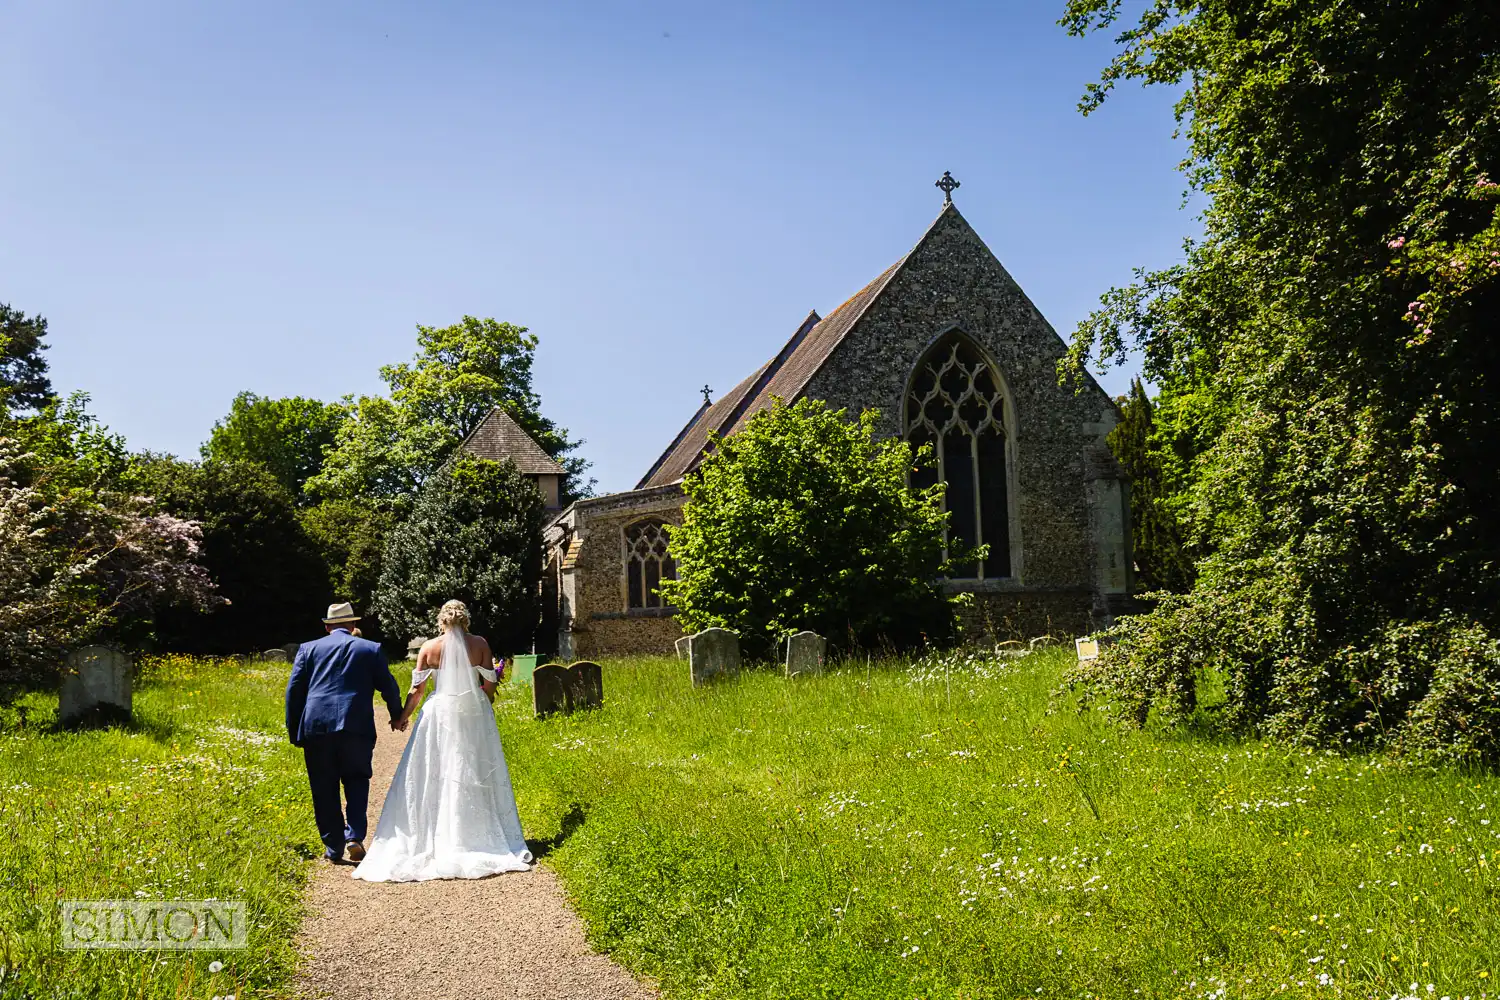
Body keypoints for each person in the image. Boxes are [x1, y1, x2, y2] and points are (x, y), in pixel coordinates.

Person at [353, 600, 533, 882]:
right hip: (473, 711)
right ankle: (474, 833)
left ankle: (436, 833)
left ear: (442, 621)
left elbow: (417, 690)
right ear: (465, 620)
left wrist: (402, 717)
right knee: (474, 766)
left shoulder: (429, 648)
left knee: (434, 769)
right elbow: (489, 684)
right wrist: (481, 708)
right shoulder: (480, 644)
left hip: (440, 712)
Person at [284, 602, 404, 864]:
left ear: (327, 627)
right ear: (352, 626)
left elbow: (294, 693)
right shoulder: (370, 649)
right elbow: (389, 687)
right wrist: (397, 715)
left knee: (323, 786)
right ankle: (354, 836)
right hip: (356, 724)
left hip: (317, 726)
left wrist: (295, 729)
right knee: (357, 779)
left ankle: (333, 846)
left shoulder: (308, 649)